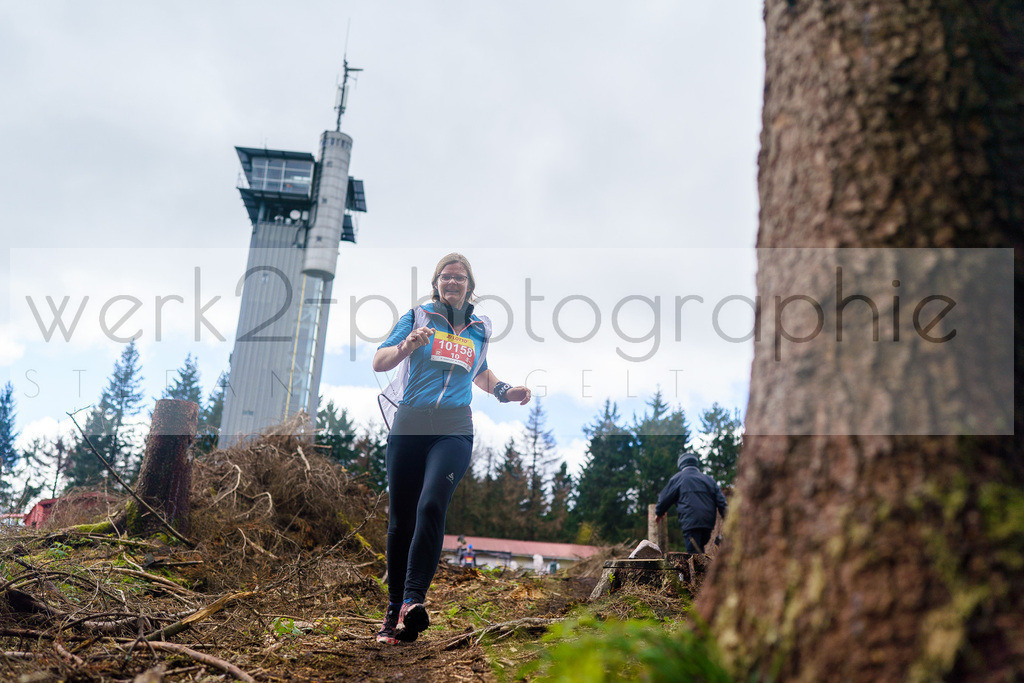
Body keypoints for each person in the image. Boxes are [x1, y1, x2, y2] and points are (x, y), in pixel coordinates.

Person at [372, 253, 531, 645]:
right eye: (446, 277)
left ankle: (412, 602)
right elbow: (380, 361)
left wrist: (504, 391)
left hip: (454, 428)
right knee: (401, 520)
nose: (452, 282)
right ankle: (393, 610)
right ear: (437, 283)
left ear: (469, 285)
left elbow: (478, 369)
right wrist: (407, 346)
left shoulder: (480, 327)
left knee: (431, 505)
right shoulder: (417, 317)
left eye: (459, 277)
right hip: (409, 425)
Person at [655, 452, 727, 554]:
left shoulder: (678, 478)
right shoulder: (709, 480)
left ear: (680, 464)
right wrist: (728, 519)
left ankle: (699, 569)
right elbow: (721, 502)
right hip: (708, 523)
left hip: (690, 522)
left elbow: (664, 498)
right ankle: (704, 568)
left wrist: (659, 513)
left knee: (694, 553)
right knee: (700, 548)